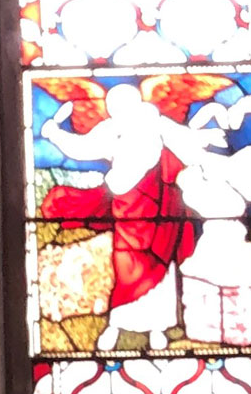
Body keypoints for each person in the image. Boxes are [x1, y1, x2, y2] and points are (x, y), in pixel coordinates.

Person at [39, 82, 222, 352]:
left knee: (160, 265)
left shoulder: (156, 124)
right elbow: (82, 147)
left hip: (159, 211)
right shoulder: (112, 130)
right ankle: (116, 323)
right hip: (127, 213)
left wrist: (204, 141)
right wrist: (54, 133)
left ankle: (158, 329)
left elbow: (184, 141)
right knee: (125, 265)